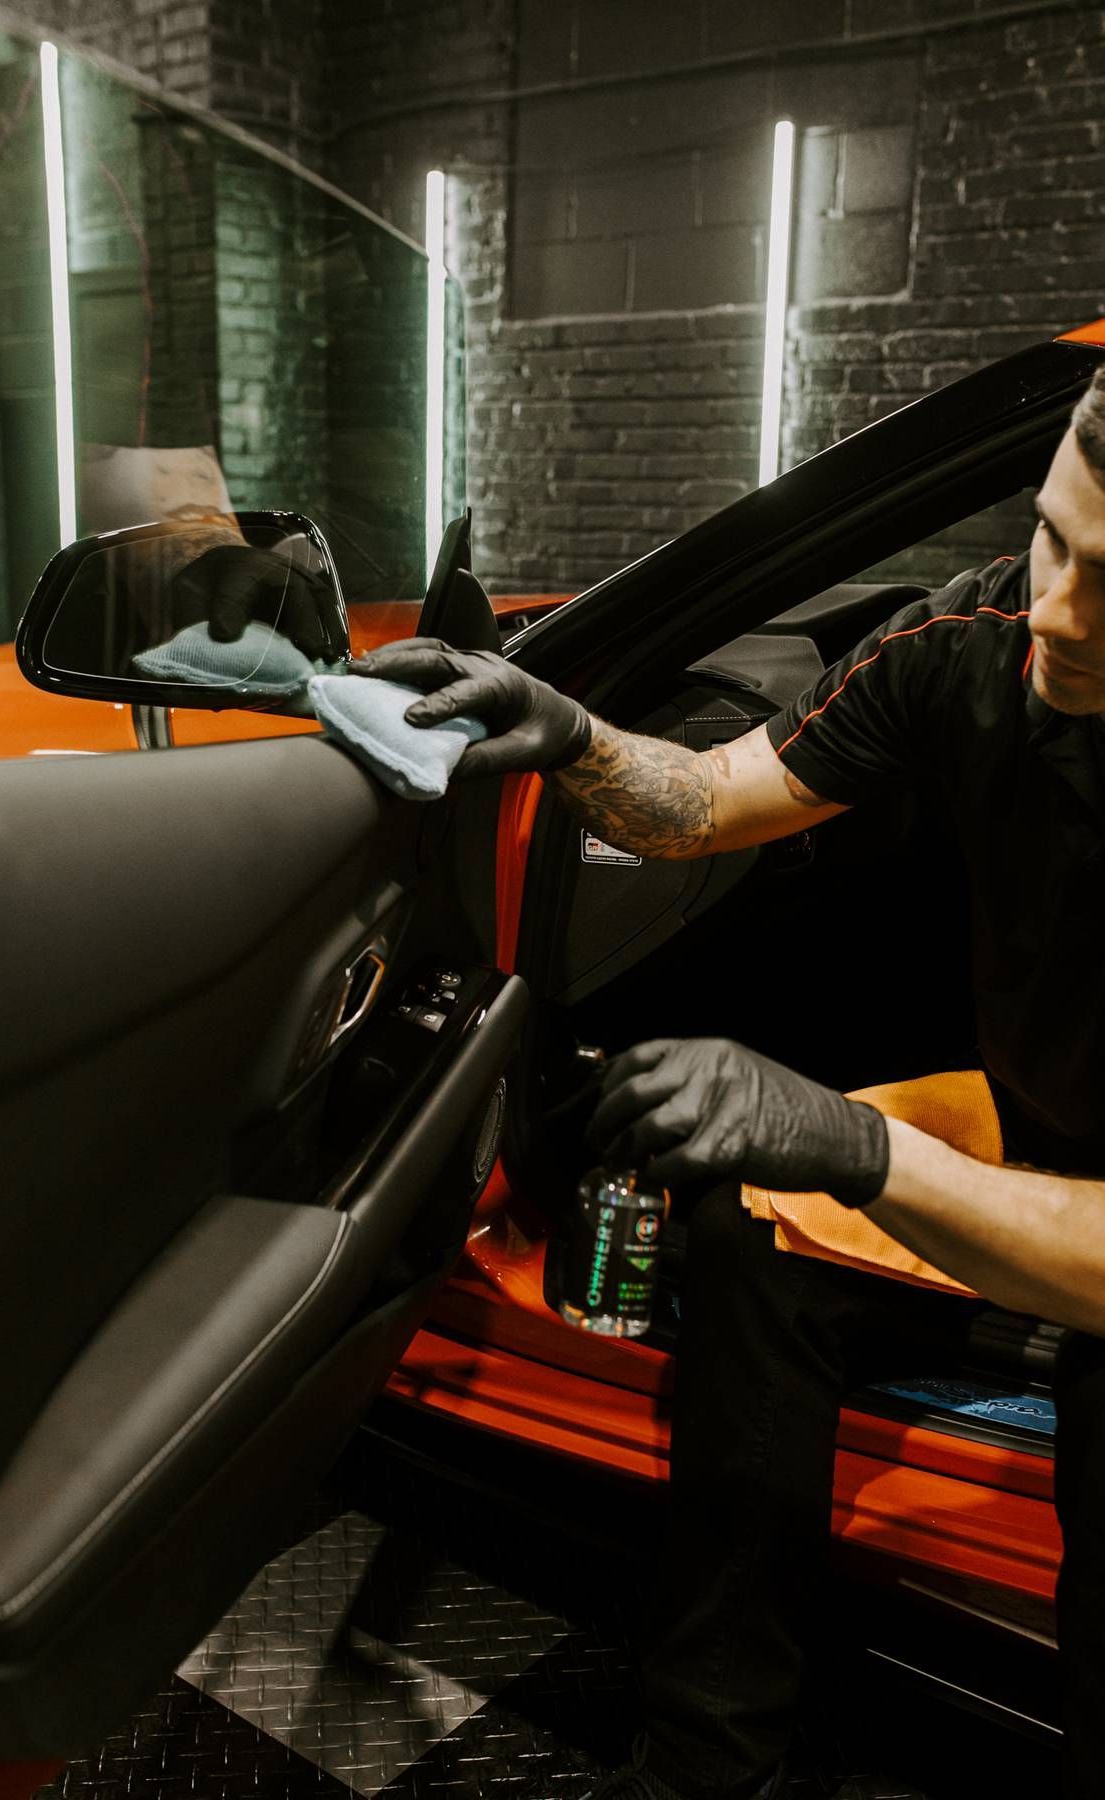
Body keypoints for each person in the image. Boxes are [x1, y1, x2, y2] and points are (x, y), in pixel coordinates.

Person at [353, 368, 1105, 1798]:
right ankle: (709, 1760)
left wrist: (859, 1148)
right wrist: (570, 732)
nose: (1058, 613)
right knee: (754, 1221)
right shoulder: (980, 636)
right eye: (1059, 540)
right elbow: (709, 802)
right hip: (1038, 1117)